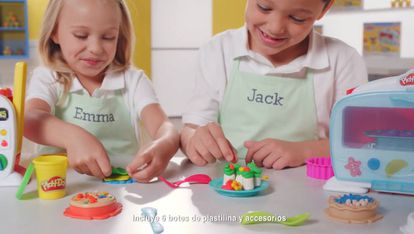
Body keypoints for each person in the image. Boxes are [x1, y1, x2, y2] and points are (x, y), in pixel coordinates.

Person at [181, 0, 368, 169]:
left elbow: (360, 143)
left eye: (297, 18)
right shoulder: (217, 50)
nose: (276, 27)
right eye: (264, 7)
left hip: (306, 190)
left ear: (325, 8)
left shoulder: (343, 59)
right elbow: (190, 131)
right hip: (228, 186)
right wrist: (194, 140)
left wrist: (304, 151)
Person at [24, 0, 179, 182]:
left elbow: (164, 127)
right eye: (81, 35)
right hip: (59, 188)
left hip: (121, 191)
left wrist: (164, 145)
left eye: (108, 37)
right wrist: (72, 137)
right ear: (54, 32)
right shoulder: (48, 77)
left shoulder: (133, 81)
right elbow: (29, 119)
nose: (96, 48)